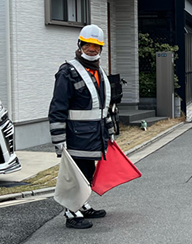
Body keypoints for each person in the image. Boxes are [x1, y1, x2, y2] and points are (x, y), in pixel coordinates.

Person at [48, 24, 114, 229]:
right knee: (76, 174)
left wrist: (110, 132)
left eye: (96, 46)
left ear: (101, 48)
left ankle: (82, 204)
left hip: (95, 135)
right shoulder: (68, 72)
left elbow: (104, 107)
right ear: (80, 45)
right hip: (75, 137)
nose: (92, 49)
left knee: (88, 171)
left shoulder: (99, 72)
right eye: (87, 45)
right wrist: (59, 142)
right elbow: (57, 108)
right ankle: (71, 211)